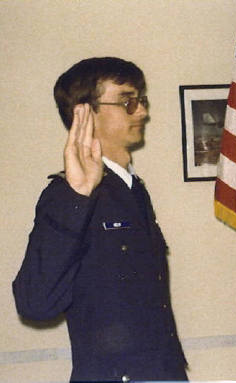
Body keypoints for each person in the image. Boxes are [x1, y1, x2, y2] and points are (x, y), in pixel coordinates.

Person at [13, 57, 187, 382]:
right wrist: (76, 195)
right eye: (127, 101)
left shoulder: (131, 190)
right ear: (85, 112)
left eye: (141, 100)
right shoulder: (68, 196)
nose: (142, 112)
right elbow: (35, 303)